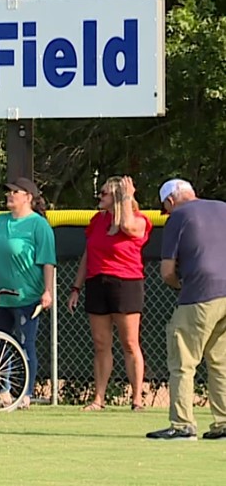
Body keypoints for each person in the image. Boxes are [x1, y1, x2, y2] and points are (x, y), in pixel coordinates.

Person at [146, 179, 226, 440]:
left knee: (182, 361)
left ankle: (182, 425)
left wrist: (181, 285)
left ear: (170, 201)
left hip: (200, 292)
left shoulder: (177, 216)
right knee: (221, 362)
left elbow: (167, 271)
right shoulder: (222, 208)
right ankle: (223, 423)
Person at [0, 177, 56, 409]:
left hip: (25, 296)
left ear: (28, 197)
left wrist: (48, 291)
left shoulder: (38, 225)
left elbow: (48, 261)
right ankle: (3, 391)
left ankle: (25, 393)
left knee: (24, 343)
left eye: (15, 192)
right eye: (8, 192)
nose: (9, 196)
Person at [67, 176, 150, 411]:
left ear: (117, 197)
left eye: (104, 193)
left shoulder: (139, 220)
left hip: (125, 283)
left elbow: (127, 227)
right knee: (101, 343)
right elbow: (88, 254)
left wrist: (126, 197)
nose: (99, 197)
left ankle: (137, 399)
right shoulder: (97, 221)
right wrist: (76, 288)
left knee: (130, 342)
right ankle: (99, 398)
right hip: (97, 282)